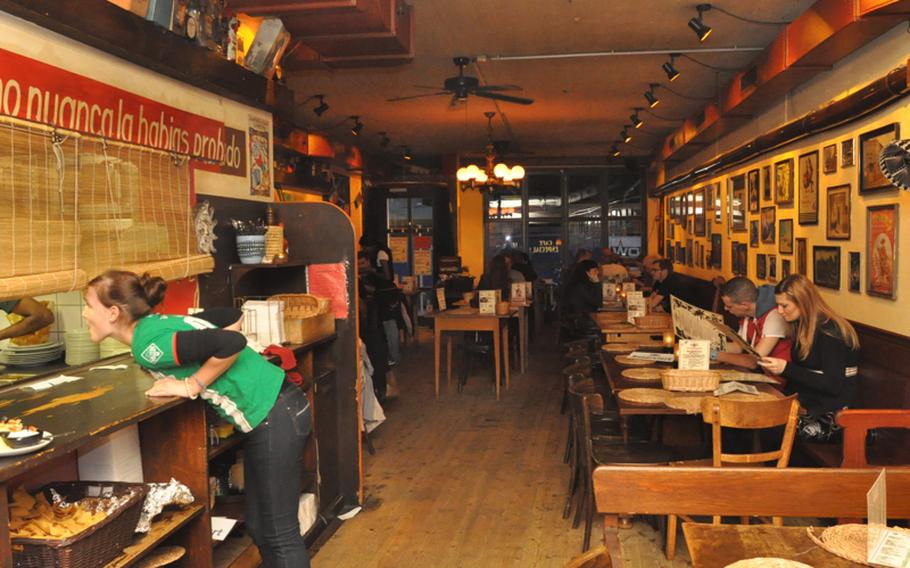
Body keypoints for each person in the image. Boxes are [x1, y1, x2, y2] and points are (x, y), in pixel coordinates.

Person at [82, 271, 312, 567]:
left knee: (279, 535)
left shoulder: (146, 346)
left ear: (113, 313)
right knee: (260, 527)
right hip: (279, 410)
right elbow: (231, 315)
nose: (85, 313)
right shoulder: (154, 325)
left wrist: (192, 384)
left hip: (276, 416)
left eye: (88, 305)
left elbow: (231, 342)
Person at [759, 275, 860, 442]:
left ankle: (772, 468)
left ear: (803, 302)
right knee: (758, 416)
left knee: (773, 426)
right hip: (811, 404)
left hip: (835, 414)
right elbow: (803, 375)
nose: (779, 311)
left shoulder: (831, 331)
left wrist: (786, 369)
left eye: (784, 306)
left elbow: (833, 385)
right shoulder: (802, 326)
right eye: (778, 305)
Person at [715, 277, 792, 384]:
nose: (725, 309)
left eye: (729, 306)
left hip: (777, 382)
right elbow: (738, 347)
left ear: (744, 305)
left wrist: (712, 354)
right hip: (760, 376)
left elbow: (753, 361)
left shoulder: (774, 315)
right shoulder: (748, 314)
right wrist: (703, 346)